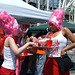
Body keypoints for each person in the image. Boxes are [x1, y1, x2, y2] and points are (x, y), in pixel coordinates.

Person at [43, 8, 75, 75]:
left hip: (59, 60)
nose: (50, 26)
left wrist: (64, 49)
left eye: (52, 24)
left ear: (57, 23)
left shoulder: (64, 30)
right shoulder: (51, 33)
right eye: (50, 24)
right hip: (49, 60)